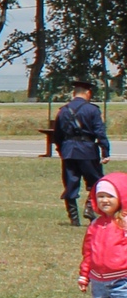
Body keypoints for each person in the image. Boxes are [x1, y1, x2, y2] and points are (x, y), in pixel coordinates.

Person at [78, 172, 127, 298]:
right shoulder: (95, 225)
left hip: (122, 281)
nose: (105, 200)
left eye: (110, 196)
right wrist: (84, 274)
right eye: (101, 196)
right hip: (98, 281)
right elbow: (88, 251)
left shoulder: (124, 224)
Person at [57, 80, 110, 226]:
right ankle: (89, 207)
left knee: (70, 183)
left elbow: (57, 134)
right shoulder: (92, 110)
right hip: (87, 150)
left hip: (69, 151)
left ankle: (73, 219)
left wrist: (62, 150)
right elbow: (100, 132)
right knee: (97, 182)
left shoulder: (63, 110)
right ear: (88, 93)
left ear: (74, 93)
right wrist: (105, 150)